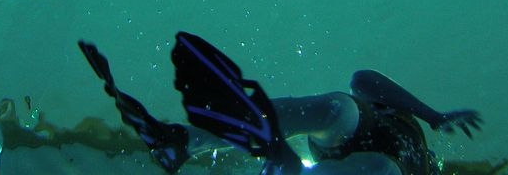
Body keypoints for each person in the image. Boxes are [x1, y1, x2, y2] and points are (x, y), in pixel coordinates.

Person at [79, 32, 482, 175]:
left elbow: (365, 82)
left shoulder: (413, 160)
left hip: (370, 159)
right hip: (357, 133)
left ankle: (195, 142)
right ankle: (184, 140)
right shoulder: (412, 132)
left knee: (373, 161)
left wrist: (431, 117)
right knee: (341, 109)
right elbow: (365, 79)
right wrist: (431, 116)